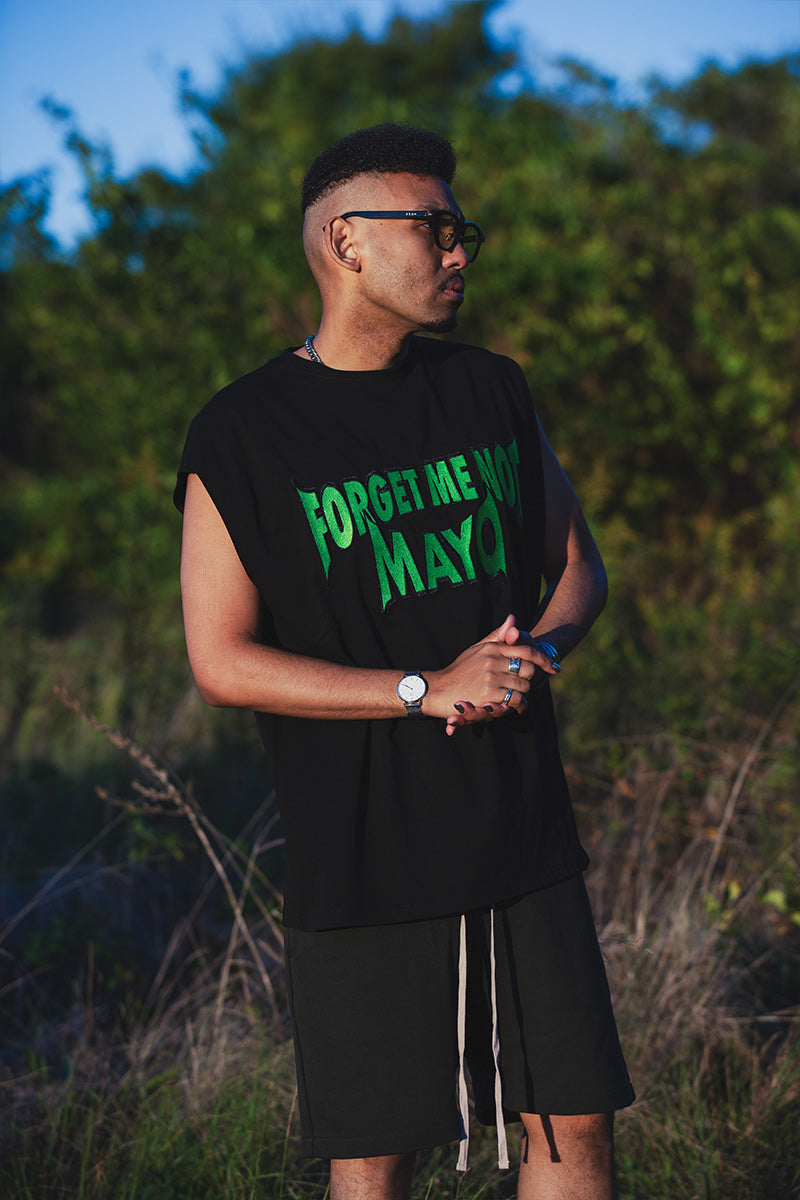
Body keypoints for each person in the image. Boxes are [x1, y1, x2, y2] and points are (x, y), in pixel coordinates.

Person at [175, 123, 633, 1200]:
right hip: (367, 856)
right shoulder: (241, 433)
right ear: (346, 242)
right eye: (434, 228)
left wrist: (537, 651)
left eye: (461, 229)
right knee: (379, 1154)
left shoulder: (491, 389)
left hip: (521, 832)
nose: (459, 250)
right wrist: (426, 690)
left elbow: (578, 566)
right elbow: (221, 661)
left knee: (571, 1125)